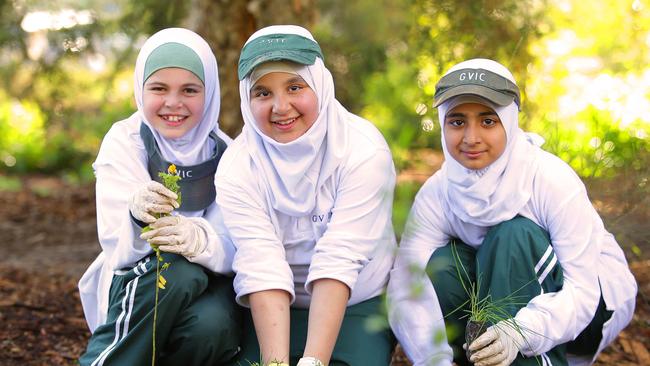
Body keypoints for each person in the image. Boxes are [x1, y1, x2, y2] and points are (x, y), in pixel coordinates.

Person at [387, 58, 637, 366]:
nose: (471, 138)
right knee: (440, 264)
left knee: (512, 235)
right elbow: (406, 281)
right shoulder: (439, 192)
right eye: (457, 121)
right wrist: (433, 358)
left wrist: (520, 332)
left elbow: (582, 293)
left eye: (488, 121)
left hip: (587, 309)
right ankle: (478, 357)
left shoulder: (548, 179)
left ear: (509, 120)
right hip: (500, 289)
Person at [214, 25, 397, 366]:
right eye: (263, 93)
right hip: (273, 308)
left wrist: (314, 360)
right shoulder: (237, 167)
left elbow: (340, 257)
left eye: (295, 87)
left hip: (356, 300)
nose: (281, 107)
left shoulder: (363, 151)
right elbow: (260, 262)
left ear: (320, 84)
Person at [77, 27, 241, 365]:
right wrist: (136, 213)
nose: (173, 103)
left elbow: (238, 245)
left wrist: (202, 240)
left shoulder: (230, 155)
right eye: (159, 88)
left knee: (210, 325)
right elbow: (115, 243)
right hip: (139, 282)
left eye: (190, 90)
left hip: (207, 287)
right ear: (141, 89)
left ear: (209, 93)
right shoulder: (126, 141)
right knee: (179, 271)